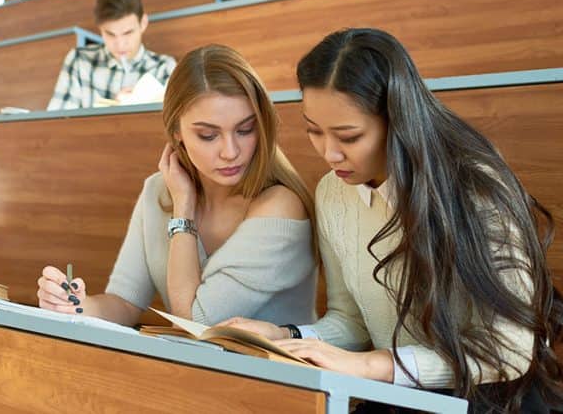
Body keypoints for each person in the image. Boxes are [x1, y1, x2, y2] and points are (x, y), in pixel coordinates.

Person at [221, 28, 563, 413]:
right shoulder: (332, 193)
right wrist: (285, 335)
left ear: (396, 121)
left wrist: (374, 365)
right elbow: (351, 322)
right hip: (401, 397)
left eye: (349, 137)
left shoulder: (474, 187)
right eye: (314, 131)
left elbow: (511, 349)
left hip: (489, 402)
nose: (330, 154)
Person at [37, 44, 317, 327]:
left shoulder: (281, 206)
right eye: (208, 135)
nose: (231, 151)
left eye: (245, 129)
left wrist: (183, 210)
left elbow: (194, 322)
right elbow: (124, 302)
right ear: (176, 132)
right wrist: (76, 305)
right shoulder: (158, 190)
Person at [46, 0, 176, 110]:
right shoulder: (80, 60)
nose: (120, 44)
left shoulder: (164, 67)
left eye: (128, 33)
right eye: (110, 34)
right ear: (100, 29)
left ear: (143, 23)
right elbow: (57, 120)